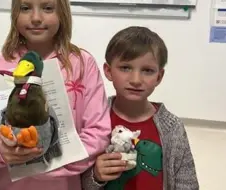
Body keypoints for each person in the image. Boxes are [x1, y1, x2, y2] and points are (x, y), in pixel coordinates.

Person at [0, 0, 111, 189]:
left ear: (62, 13)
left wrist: (53, 163)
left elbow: (98, 131)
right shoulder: (0, 65)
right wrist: (1, 151)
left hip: (63, 183)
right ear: (14, 13)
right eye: (25, 8)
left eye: (48, 8)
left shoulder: (81, 64)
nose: (36, 18)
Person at [81, 26, 199, 190]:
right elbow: (75, 180)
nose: (136, 80)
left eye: (147, 71)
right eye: (125, 68)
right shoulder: (93, 119)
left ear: (159, 76)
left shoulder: (172, 127)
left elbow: (187, 183)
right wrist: (95, 176)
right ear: (108, 71)